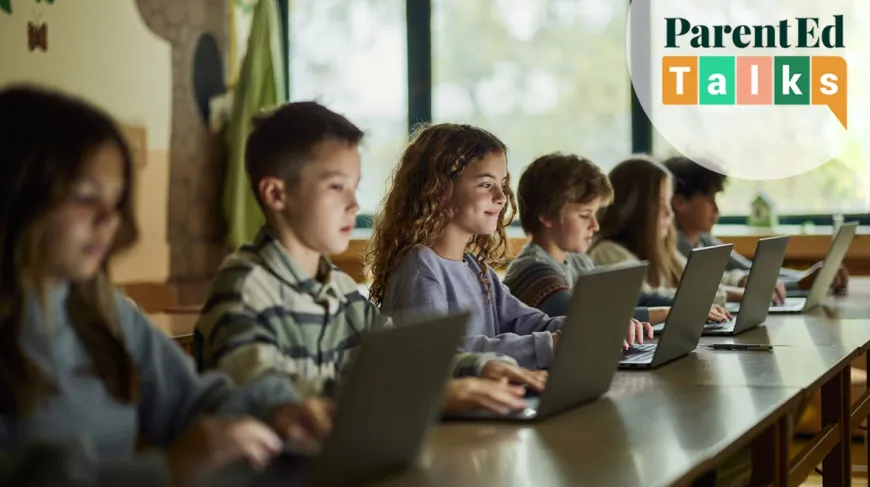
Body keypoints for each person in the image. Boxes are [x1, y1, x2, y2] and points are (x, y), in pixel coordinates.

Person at [0, 86, 331, 487]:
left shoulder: (104, 312)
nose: (110, 219)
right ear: (16, 196)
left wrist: (276, 409)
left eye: (117, 200)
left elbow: (191, 400)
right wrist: (166, 471)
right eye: (86, 197)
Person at [196, 102, 544, 416]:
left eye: (355, 187)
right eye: (336, 187)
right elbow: (261, 393)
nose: (354, 205)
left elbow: (408, 357)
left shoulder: (340, 290)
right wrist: (426, 394)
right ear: (276, 194)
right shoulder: (245, 287)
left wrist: (481, 367)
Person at [367, 123, 652, 371]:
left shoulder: (476, 268)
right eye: (485, 184)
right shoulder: (421, 268)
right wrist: (553, 345)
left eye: (502, 184)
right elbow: (440, 357)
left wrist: (593, 327)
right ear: (439, 190)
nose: (502, 196)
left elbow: (528, 322)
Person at [503, 152, 730, 324]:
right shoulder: (533, 270)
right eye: (584, 215)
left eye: (595, 214)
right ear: (547, 216)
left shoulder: (577, 260)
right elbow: (584, 318)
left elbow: (630, 298)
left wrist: (688, 305)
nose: (595, 225)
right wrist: (670, 313)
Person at [663, 156, 848, 298]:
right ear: (680, 203)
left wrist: (806, 276)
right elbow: (720, 287)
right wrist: (800, 283)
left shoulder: (704, 240)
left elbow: (753, 271)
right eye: (709, 198)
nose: (716, 208)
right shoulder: (676, 246)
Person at [588, 155, 748, 304]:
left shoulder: (664, 249)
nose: (669, 213)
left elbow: (698, 281)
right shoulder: (607, 251)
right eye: (660, 203)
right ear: (634, 209)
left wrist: (740, 281)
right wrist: (730, 294)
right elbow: (647, 297)